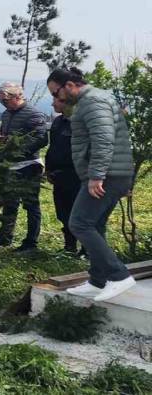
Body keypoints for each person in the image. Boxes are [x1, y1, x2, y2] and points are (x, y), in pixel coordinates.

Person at [49, 68, 137, 301]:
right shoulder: (93, 100)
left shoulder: (93, 101)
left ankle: (118, 275)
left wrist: (96, 176)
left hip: (106, 175)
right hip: (109, 173)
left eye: (56, 92)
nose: (56, 99)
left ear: (68, 85)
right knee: (94, 224)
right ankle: (98, 280)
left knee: (79, 223)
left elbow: (103, 139)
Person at [0, 82, 48, 252]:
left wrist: (18, 149)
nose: (3, 104)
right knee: (10, 203)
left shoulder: (34, 114)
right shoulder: (6, 115)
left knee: (31, 204)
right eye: (1, 101)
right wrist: (2, 140)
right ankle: (5, 237)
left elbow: (41, 139)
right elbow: (8, 137)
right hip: (10, 166)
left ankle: (31, 242)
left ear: (17, 96)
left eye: (5, 101)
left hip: (29, 165)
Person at [45, 93, 83, 254]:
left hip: (76, 176)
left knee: (79, 213)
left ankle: (87, 249)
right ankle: (69, 246)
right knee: (63, 212)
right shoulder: (58, 122)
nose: (53, 105)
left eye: (55, 102)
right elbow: (52, 147)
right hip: (58, 175)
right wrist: (48, 169)